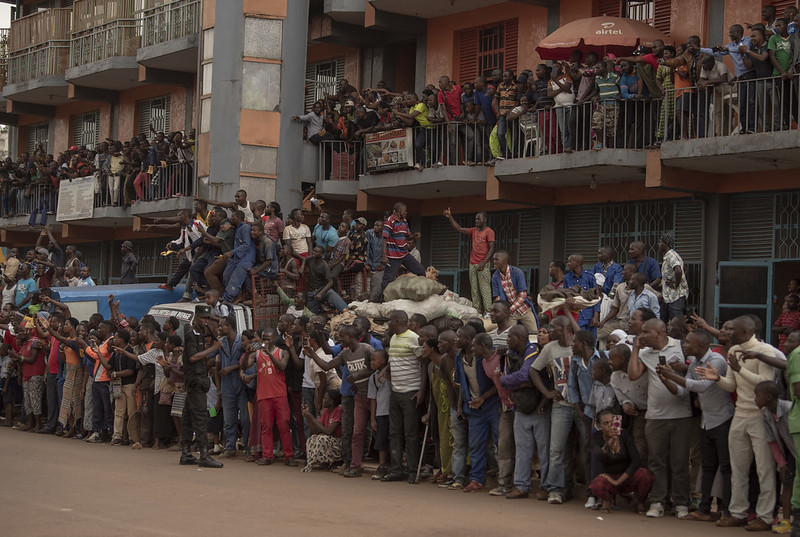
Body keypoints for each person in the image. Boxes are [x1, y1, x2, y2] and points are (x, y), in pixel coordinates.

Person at [697, 316, 778, 530]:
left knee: (764, 468)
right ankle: (738, 512)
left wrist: (741, 370)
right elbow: (732, 386)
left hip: (760, 417)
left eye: (734, 331)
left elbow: (766, 384)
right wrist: (717, 379)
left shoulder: (765, 352)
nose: (729, 334)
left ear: (746, 332)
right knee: (738, 468)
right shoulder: (733, 352)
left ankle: (765, 516)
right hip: (740, 414)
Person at [656, 329, 733, 522]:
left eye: (689, 343)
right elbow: (685, 391)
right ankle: (704, 509)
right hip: (707, 421)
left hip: (722, 419)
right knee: (707, 466)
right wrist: (667, 379)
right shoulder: (695, 363)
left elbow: (701, 387)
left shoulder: (716, 361)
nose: (685, 346)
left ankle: (727, 511)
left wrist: (672, 376)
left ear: (701, 345)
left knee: (725, 467)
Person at [628, 319, 692, 519]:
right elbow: (633, 375)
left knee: (680, 462)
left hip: (681, 415)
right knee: (656, 462)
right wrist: (636, 350)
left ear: (659, 333)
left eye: (646, 332)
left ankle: (681, 502)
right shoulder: (646, 354)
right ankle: (657, 501)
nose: (642, 336)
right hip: (655, 416)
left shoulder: (681, 347)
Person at [529, 316, 576, 504]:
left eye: (554, 328)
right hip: (561, 406)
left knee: (581, 449)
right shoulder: (550, 348)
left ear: (565, 328)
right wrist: (547, 393)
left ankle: (575, 487)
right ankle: (555, 489)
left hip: (580, 405)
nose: (551, 331)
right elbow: (533, 370)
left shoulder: (577, 345)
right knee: (556, 449)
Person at [381, 310, 425, 483]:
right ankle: (397, 469)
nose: (388, 324)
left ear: (398, 321)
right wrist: (386, 370)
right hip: (396, 391)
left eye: (390, 321)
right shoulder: (393, 338)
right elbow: (394, 362)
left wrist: (421, 391)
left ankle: (413, 470)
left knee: (411, 434)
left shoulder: (413, 338)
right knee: (394, 433)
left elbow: (423, 365)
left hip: (410, 392)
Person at [180, 305, 223, 468]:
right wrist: (214, 347)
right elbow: (193, 358)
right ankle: (204, 455)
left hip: (196, 381)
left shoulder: (200, 333)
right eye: (203, 318)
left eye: (207, 318)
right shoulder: (193, 334)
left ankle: (186, 453)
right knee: (199, 417)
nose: (205, 321)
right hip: (195, 381)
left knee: (187, 418)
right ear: (196, 317)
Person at [588, 409, 654, 513]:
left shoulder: (624, 435)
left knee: (646, 475)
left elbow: (636, 460)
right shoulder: (597, 438)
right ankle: (608, 500)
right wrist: (609, 442)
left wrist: (618, 481)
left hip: (627, 476)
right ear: (600, 426)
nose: (610, 426)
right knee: (596, 485)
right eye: (606, 423)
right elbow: (600, 456)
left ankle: (640, 501)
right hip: (609, 477)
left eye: (612, 422)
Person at [755, 380, 795, 534]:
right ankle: (785, 521)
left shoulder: (789, 408)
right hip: (789, 453)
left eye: (757, 396)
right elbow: (772, 441)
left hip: (797, 449)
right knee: (787, 482)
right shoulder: (765, 414)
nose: (755, 399)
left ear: (768, 397)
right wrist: (782, 463)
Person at [443, 208, 495, 316]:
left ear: (485, 220)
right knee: (474, 289)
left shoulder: (489, 232)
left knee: (485, 289)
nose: (476, 220)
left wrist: (484, 262)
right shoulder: (474, 231)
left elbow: (491, 248)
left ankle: (489, 311)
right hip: (472, 263)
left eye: (478, 219)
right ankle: (478, 311)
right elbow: (459, 228)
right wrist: (450, 216)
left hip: (483, 264)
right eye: (476, 219)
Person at [254, 326, 295, 466]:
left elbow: (281, 367)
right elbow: (245, 365)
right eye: (264, 339)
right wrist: (248, 354)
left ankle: (289, 456)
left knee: (284, 424)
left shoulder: (283, 352)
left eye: (268, 339)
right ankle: (267, 455)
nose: (266, 341)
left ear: (275, 339)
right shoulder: (257, 354)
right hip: (264, 395)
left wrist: (269, 354)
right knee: (266, 427)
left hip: (279, 395)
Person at [215, 317, 249, 458]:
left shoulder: (242, 340)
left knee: (246, 419)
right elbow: (213, 360)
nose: (219, 329)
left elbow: (249, 359)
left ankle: (248, 446)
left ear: (229, 327)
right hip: (227, 385)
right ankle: (230, 447)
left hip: (241, 383)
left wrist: (232, 368)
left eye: (221, 326)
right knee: (229, 418)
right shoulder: (221, 342)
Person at [380, 202, 425, 291]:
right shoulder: (390, 221)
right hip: (393, 256)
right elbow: (384, 238)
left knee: (420, 271)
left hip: (404, 253)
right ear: (399, 211)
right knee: (387, 279)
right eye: (405, 211)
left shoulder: (404, 221)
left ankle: (419, 290)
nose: (406, 213)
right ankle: (383, 300)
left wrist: (414, 236)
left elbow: (407, 236)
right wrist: (384, 256)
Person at [491, 251, 538, 333]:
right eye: (494, 259)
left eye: (496, 259)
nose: (494, 262)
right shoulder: (495, 277)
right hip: (510, 313)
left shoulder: (517, 272)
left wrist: (510, 309)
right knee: (509, 334)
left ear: (505, 260)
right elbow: (498, 298)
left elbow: (523, 294)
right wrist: (502, 310)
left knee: (533, 332)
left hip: (524, 309)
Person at [301, 389, 342, 471]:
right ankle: (315, 461)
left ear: (331, 402)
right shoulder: (326, 411)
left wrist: (312, 418)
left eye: (325, 398)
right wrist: (308, 417)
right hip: (329, 441)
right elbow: (315, 431)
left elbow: (329, 431)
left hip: (337, 443)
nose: (322, 400)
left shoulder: (338, 410)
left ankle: (322, 461)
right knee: (312, 438)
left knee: (322, 438)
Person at [221, 210, 254, 304]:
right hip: (236, 257)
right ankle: (237, 295)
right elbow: (227, 219)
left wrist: (231, 252)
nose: (231, 218)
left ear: (238, 218)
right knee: (226, 276)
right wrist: (229, 224)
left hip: (245, 258)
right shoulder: (237, 227)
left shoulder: (245, 228)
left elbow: (246, 245)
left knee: (235, 279)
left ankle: (227, 299)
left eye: (233, 216)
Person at [368, 348, 390, 480]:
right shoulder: (373, 377)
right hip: (381, 412)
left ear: (383, 361)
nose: (370, 362)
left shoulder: (391, 375)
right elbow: (372, 398)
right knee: (381, 441)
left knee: (394, 439)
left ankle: (396, 464)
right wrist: (372, 418)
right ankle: (382, 466)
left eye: (373, 359)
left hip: (392, 412)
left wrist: (387, 369)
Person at [564, 254, 600, 335]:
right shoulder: (567, 278)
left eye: (570, 261)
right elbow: (565, 295)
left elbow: (596, 297)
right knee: (579, 339)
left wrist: (595, 316)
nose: (568, 264)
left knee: (591, 341)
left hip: (589, 315)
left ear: (578, 263)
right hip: (576, 316)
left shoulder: (589, 276)